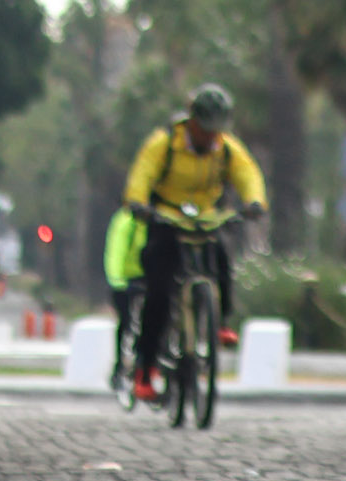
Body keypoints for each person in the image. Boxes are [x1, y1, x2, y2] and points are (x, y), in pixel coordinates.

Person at [121, 83, 267, 403]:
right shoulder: (164, 144)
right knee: (158, 291)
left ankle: (221, 320)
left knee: (222, 257)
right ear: (191, 121)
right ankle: (145, 370)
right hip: (167, 219)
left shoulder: (226, 148)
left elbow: (247, 174)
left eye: (216, 130)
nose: (210, 137)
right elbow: (141, 175)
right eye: (205, 129)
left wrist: (254, 201)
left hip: (205, 218)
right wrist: (137, 202)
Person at [102, 199, 148, 392]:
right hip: (127, 279)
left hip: (151, 277)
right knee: (126, 323)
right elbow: (116, 251)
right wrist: (119, 282)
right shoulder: (125, 219)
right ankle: (120, 365)